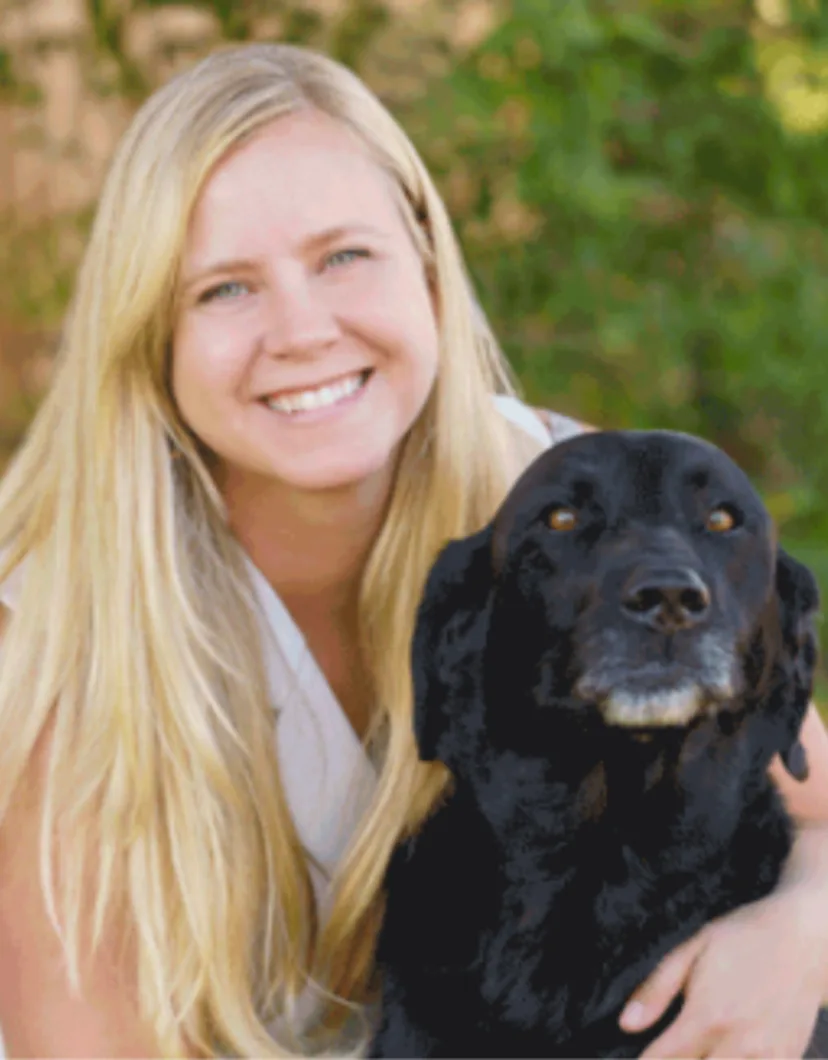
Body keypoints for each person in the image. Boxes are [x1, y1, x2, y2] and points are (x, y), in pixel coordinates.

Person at [0, 41, 826, 1059]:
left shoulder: (562, 502)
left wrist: (800, 933)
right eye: (223, 288)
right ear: (149, 338)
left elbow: (816, 808)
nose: (302, 329)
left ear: (428, 264)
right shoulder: (51, 630)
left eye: (344, 256)